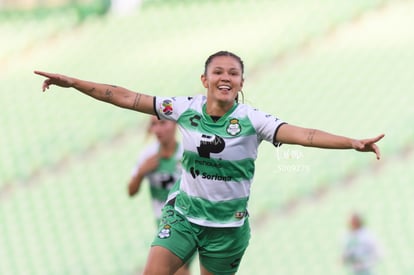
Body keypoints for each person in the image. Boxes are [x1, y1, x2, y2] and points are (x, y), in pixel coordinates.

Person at [34, 50, 384, 275]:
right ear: (205, 80)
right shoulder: (183, 109)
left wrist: (351, 142)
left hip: (226, 229)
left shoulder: (253, 120)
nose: (225, 77)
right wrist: (74, 83)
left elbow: (304, 135)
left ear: (241, 82)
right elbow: (126, 97)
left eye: (233, 73)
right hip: (183, 217)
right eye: (218, 71)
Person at [128, 116, 193, 275]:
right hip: (163, 221)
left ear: (174, 124)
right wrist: (141, 172)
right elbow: (131, 191)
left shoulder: (187, 153)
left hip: (187, 221)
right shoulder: (148, 155)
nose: (158, 129)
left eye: (162, 123)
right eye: (153, 124)